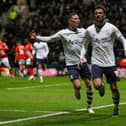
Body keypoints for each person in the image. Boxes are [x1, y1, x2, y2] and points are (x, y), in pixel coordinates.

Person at [30, 13, 94, 114]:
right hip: (71, 64)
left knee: (89, 85)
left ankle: (89, 106)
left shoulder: (83, 31)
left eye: (78, 19)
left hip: (83, 62)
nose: (77, 20)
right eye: (74, 19)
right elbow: (50, 39)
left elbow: (93, 37)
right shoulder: (63, 33)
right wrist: (37, 37)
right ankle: (76, 90)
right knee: (78, 86)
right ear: (70, 21)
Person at [80, 5, 126, 116]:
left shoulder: (111, 28)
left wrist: (125, 48)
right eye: (96, 13)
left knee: (114, 87)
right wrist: (81, 57)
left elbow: (123, 39)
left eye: (100, 13)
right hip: (97, 62)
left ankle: (116, 107)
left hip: (110, 63)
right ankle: (101, 86)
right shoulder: (89, 30)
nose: (98, 15)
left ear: (104, 15)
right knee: (96, 85)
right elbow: (84, 45)